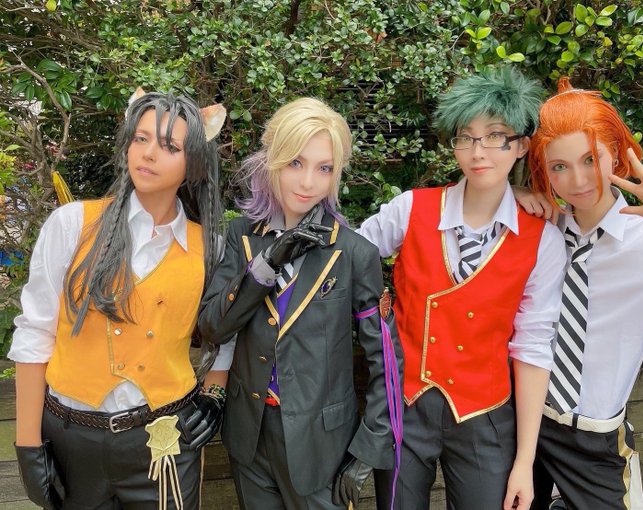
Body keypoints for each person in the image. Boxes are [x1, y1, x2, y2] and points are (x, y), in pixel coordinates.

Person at [9, 89, 231, 509]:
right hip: (71, 442)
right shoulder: (71, 225)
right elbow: (34, 334)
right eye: (140, 138)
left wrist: (214, 394)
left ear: (194, 162)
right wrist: (28, 446)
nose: (148, 153)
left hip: (164, 444)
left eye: (169, 146)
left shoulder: (211, 249)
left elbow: (225, 332)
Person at [358, 66, 566, 510]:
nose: (477, 151)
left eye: (495, 136)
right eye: (465, 137)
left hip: (486, 415)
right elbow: (347, 258)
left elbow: (533, 347)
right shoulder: (410, 209)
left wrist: (524, 462)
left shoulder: (543, 239)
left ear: (521, 145)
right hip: (404, 405)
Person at [198, 97, 401, 510]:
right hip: (249, 438)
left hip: (323, 449)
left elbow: (386, 362)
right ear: (272, 158)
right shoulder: (241, 237)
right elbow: (213, 327)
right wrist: (266, 265)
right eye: (295, 163)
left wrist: (367, 450)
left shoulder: (354, 253)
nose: (308, 182)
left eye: (324, 168)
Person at [520, 77, 643, 509]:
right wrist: (508, 194)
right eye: (559, 166)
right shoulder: (538, 230)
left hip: (594, 443)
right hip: (521, 427)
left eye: (591, 159)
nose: (578, 180)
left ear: (617, 153)